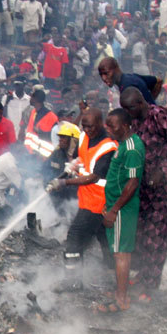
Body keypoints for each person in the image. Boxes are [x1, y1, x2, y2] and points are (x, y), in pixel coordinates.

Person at [119, 86, 167, 297]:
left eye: (130, 108)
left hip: (165, 187)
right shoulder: (135, 120)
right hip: (144, 186)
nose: (128, 113)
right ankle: (144, 273)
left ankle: (151, 287)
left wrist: (163, 170)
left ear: (140, 103)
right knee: (142, 233)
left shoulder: (158, 116)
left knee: (157, 235)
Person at [48, 108, 118, 281]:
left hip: (99, 200)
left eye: (91, 127)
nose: (87, 130)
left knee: (74, 236)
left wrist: (65, 182)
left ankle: (72, 280)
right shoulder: (84, 137)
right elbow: (82, 157)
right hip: (87, 197)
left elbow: (94, 177)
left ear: (101, 123)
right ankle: (112, 271)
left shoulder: (108, 146)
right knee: (103, 235)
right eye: (84, 126)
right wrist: (73, 165)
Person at [100, 108, 144, 311]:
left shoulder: (133, 148)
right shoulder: (123, 144)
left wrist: (114, 210)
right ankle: (120, 291)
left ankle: (121, 299)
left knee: (121, 255)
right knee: (119, 252)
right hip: (115, 205)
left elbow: (133, 183)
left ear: (125, 126)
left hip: (123, 209)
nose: (108, 128)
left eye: (113, 125)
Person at [20, 89, 59, 159]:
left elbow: (54, 137)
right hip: (30, 154)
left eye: (31, 97)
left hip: (43, 156)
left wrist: (41, 132)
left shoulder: (52, 117)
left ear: (36, 99)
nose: (30, 99)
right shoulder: (33, 112)